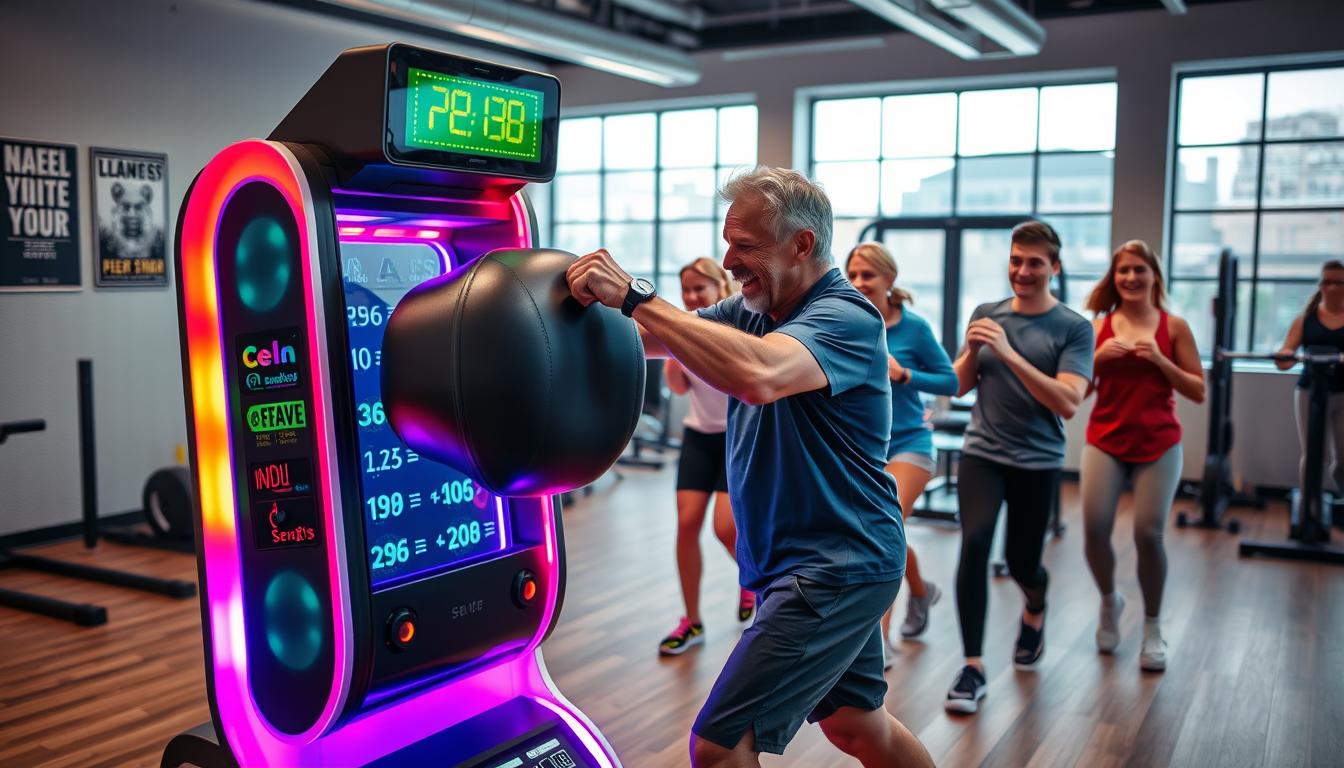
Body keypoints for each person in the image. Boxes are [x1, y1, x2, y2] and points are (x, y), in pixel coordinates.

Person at [567, 167, 933, 767]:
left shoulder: (847, 317)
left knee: (718, 746)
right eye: (728, 241)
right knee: (860, 728)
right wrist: (568, 306)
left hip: (833, 565)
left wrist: (634, 292)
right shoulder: (749, 311)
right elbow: (653, 338)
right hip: (815, 560)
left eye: (746, 246)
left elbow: (759, 375)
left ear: (802, 244)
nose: (729, 258)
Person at [945, 220, 1093, 715]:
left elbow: (1068, 400)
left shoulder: (1073, 328)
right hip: (983, 452)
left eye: (1034, 263)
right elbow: (961, 385)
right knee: (976, 542)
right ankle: (972, 667)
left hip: (1037, 460)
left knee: (1024, 562)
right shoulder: (986, 313)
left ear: (1054, 266)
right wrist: (971, 352)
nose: (1022, 271)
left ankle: (1035, 607)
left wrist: (1007, 351)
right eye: (1015, 260)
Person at [1081, 240, 1205, 673]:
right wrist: (1096, 359)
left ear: (1154, 275)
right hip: (1106, 440)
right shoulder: (1099, 328)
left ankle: (1152, 625)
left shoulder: (1174, 327)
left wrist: (1159, 361)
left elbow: (1198, 390)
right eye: (1123, 271)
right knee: (1094, 530)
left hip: (1159, 443)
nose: (1131, 278)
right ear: (1113, 279)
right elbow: (1078, 392)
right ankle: (1109, 600)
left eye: (1139, 270)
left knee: (1147, 533)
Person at [845, 242, 956, 645]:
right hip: (863, 447)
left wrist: (906, 374)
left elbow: (951, 381)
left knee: (884, 530)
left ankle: (881, 639)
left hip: (910, 441)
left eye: (868, 275)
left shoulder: (915, 328)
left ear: (889, 280)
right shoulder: (847, 322)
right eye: (853, 275)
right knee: (884, 532)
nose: (859, 283)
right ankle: (922, 591)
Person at [659, 258, 755, 656]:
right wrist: (675, 351)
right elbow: (679, 389)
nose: (692, 296)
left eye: (701, 288)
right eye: (687, 289)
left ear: (721, 287)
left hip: (736, 438)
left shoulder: (735, 325)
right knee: (686, 524)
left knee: (726, 529)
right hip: (699, 436)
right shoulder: (684, 329)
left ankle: (752, 582)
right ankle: (691, 619)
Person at [1275, 260, 1344, 497]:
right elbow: (1284, 360)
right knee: (1314, 455)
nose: (1333, 288)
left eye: (1339, 282)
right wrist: (1286, 356)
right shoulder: (1305, 320)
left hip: (1342, 394)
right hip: (1309, 393)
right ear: (1320, 285)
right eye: (1327, 282)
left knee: (1342, 460)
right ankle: (1308, 511)